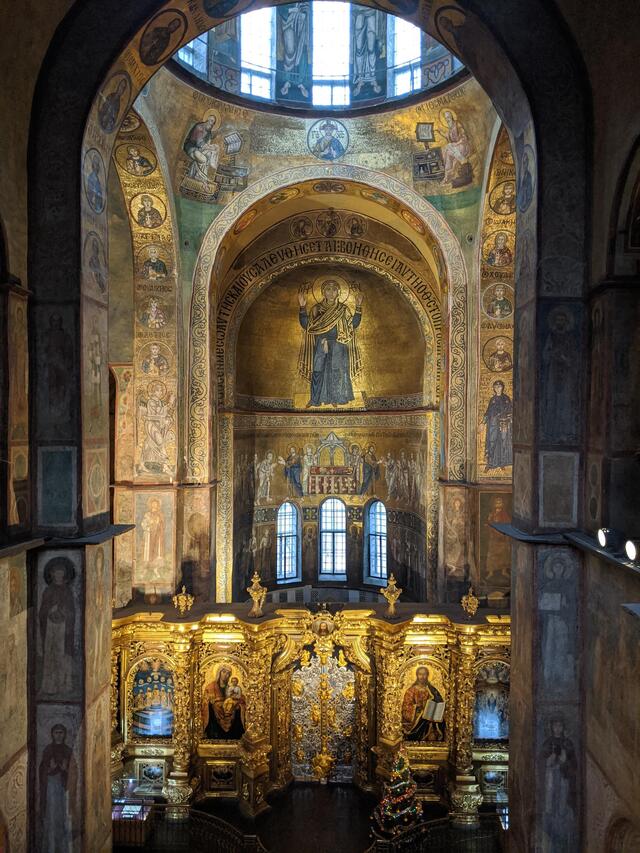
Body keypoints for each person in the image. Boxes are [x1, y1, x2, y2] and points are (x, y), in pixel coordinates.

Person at [298, 279, 363, 407]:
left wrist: (359, 307)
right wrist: (302, 308)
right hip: (321, 344)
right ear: (323, 292)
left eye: (334, 289)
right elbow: (308, 325)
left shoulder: (343, 309)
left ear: (338, 292)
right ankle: (315, 399)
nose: (331, 292)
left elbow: (352, 325)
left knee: (336, 372)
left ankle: (335, 398)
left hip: (339, 344)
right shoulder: (317, 309)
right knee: (317, 371)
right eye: (328, 289)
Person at [39, 558, 75, 696]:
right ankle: (50, 687)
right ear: (52, 574)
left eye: (61, 573)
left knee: (63, 656)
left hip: (63, 630)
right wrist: (49, 610)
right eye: (56, 573)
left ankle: (64, 686)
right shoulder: (48, 591)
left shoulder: (68, 591)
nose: (58, 575)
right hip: (50, 629)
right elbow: (42, 611)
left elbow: (72, 612)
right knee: (51, 655)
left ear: (64, 574)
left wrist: (64, 612)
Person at [39, 724, 77, 851]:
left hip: (64, 788)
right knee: (52, 817)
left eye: (61, 732)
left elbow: (74, 771)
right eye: (56, 732)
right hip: (51, 788)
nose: (59, 735)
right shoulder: (48, 750)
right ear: (52, 734)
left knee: (64, 818)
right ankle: (51, 848)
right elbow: (43, 769)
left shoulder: (68, 750)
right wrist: (50, 769)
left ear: (64, 734)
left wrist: (66, 770)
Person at [402, 665, 445, 742]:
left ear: (428, 675)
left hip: (430, 718)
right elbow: (406, 706)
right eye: (420, 674)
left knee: (433, 730)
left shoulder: (432, 690)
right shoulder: (411, 690)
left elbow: (439, 702)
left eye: (424, 674)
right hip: (417, 718)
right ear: (417, 675)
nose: (422, 676)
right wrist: (417, 707)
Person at [202, 666, 246, 739]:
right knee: (212, 707)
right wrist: (212, 702)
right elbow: (205, 701)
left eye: (229, 673)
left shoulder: (231, 687)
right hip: (215, 714)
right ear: (219, 672)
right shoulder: (210, 687)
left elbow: (240, 698)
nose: (226, 675)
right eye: (224, 672)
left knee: (238, 708)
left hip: (230, 710)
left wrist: (237, 702)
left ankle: (235, 737)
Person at [278, 3, 310, 98]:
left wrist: (304, 12)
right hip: (289, 24)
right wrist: (292, 10)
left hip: (301, 25)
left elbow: (307, 8)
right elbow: (281, 9)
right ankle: (287, 80)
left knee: (302, 54)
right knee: (290, 51)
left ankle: (300, 82)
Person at [482, 380, 513, 471]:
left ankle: (502, 463)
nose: (497, 389)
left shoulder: (506, 399)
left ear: (502, 387)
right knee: (492, 442)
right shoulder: (493, 400)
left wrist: (507, 417)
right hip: (493, 425)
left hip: (504, 424)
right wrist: (482, 423)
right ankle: (490, 463)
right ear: (494, 389)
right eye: (495, 387)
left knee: (503, 443)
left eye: (499, 387)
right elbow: (488, 412)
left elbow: (510, 411)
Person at [437, 109, 472, 185]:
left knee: (448, 147)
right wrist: (440, 133)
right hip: (455, 149)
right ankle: (446, 177)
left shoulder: (457, 124)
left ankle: (462, 159)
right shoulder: (449, 130)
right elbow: (448, 138)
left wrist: (456, 144)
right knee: (447, 153)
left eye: (448, 117)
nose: (447, 119)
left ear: (452, 116)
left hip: (463, 146)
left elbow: (464, 137)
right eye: (446, 118)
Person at [353, 8, 382, 96]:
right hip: (358, 10)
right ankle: (361, 75)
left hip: (371, 11)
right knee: (359, 50)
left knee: (371, 49)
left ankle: (372, 75)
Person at [183, 114, 220, 184]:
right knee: (203, 159)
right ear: (207, 119)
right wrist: (209, 147)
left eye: (213, 123)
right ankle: (202, 179)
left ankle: (195, 176)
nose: (212, 124)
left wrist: (213, 147)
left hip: (199, 149)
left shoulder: (209, 132)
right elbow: (199, 143)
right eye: (211, 121)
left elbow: (208, 144)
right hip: (191, 148)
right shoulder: (199, 127)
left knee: (209, 154)